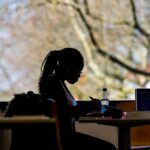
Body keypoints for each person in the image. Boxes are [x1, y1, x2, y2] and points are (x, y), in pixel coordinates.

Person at [38, 47, 116, 150]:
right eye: (78, 71)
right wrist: (90, 106)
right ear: (68, 69)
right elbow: (64, 112)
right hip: (63, 138)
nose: (79, 75)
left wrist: (89, 112)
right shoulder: (52, 84)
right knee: (109, 148)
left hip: (66, 136)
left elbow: (67, 112)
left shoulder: (59, 83)